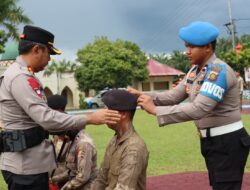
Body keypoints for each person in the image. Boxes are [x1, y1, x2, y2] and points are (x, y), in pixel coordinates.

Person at [128, 21, 250, 190]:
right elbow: (173, 96)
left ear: (207, 47)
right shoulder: (195, 71)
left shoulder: (218, 72)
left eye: (192, 47)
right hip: (212, 141)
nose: (187, 52)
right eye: (186, 46)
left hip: (227, 142)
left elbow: (199, 109)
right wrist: (142, 96)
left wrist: (156, 110)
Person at [0, 25, 121, 190]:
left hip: (27, 162)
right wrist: (90, 118)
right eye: (48, 53)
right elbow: (47, 119)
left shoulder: (17, 74)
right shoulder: (20, 77)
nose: (49, 60)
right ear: (37, 49)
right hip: (26, 166)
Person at [92, 89, 149, 190]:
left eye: (107, 109)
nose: (103, 113)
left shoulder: (134, 148)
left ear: (123, 115)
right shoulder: (115, 139)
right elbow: (101, 178)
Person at [47, 95, 98, 190]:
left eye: (59, 136)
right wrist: (53, 180)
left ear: (67, 132)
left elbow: (82, 177)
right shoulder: (68, 139)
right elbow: (71, 171)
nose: (58, 139)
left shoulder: (84, 144)